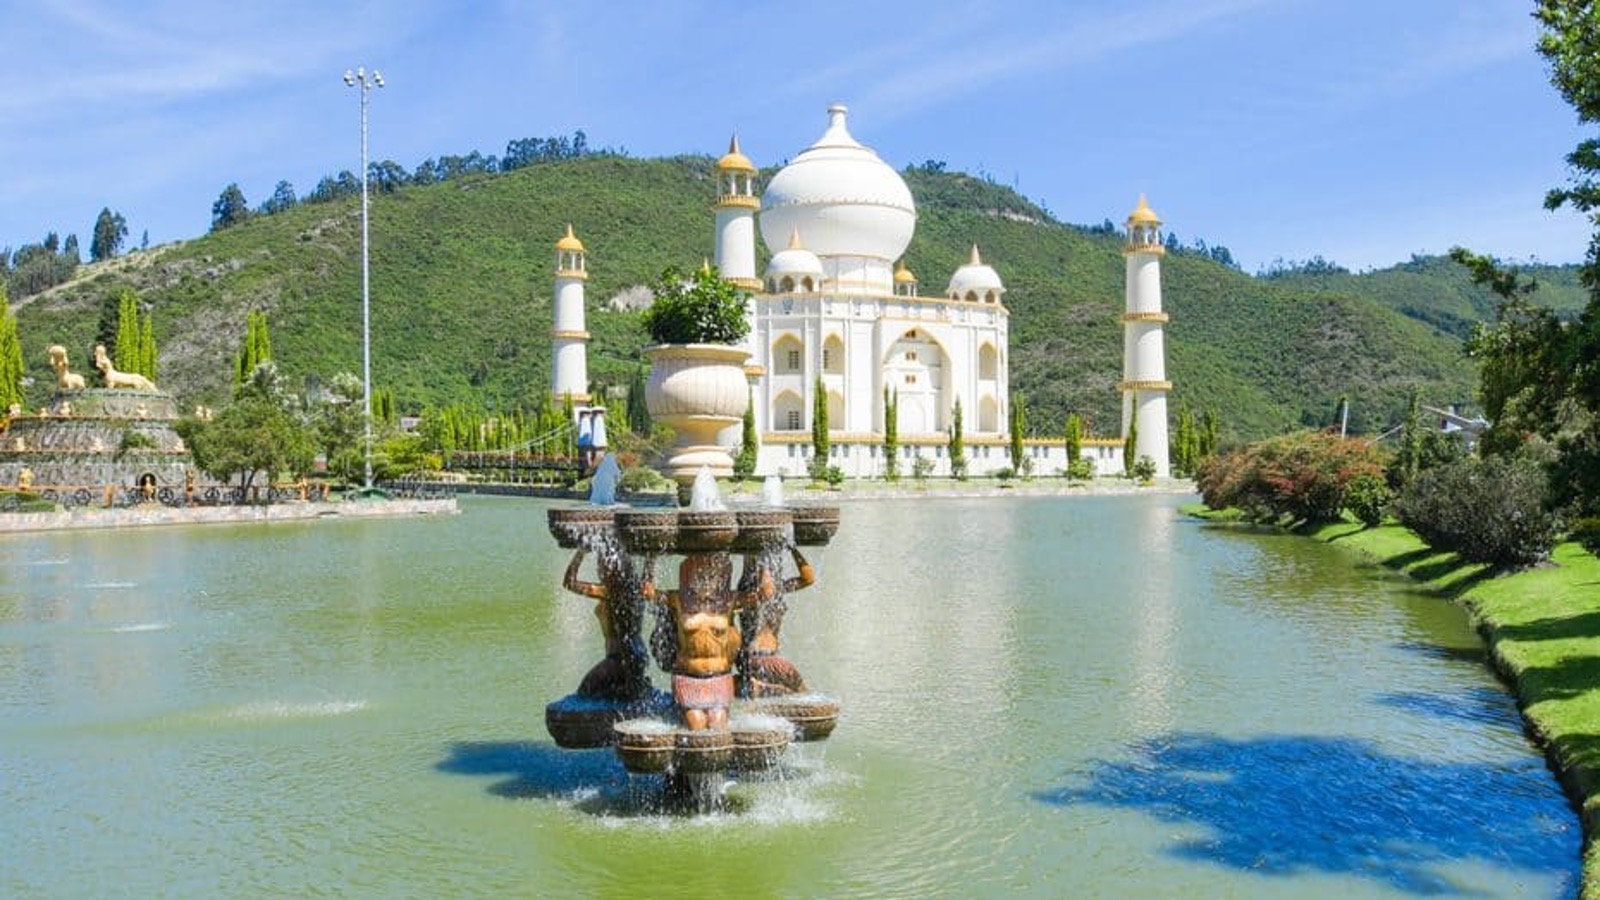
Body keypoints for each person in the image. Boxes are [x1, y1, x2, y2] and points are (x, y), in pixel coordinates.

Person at [644, 553, 745, 730]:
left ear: (719, 580)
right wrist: (651, 559)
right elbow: (647, 592)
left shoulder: (729, 601)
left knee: (717, 723)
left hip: (719, 677)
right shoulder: (678, 599)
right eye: (699, 576)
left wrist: (764, 570)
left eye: (710, 577)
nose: (705, 582)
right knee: (696, 724)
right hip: (689, 678)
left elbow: (765, 594)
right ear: (689, 578)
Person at [562, 537, 650, 701]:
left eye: (602, 564)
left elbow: (570, 583)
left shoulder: (611, 592)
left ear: (613, 568)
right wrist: (650, 558)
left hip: (620, 659)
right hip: (634, 656)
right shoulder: (633, 588)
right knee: (616, 699)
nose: (599, 568)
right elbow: (647, 582)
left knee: (585, 691)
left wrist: (580, 553)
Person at [737, 543, 815, 696]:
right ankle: (761, 687)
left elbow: (808, 579)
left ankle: (759, 687)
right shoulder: (751, 595)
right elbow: (767, 591)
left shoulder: (773, 590)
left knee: (785, 696)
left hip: (752, 660)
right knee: (805, 696)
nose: (777, 565)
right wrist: (765, 553)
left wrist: (793, 548)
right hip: (766, 659)